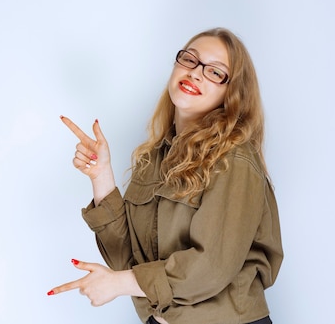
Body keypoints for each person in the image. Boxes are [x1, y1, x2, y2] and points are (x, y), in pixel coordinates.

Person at [48, 28, 283, 324]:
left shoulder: (233, 159)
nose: (196, 73)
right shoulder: (154, 156)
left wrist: (118, 284)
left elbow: (211, 266)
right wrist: (101, 176)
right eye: (190, 60)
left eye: (214, 72)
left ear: (232, 92)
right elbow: (128, 260)